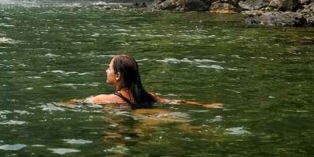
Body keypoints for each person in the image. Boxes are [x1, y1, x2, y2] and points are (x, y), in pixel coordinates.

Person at [85, 55, 221, 109]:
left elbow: (78, 104)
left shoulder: (103, 99)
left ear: (118, 75)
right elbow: (175, 101)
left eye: (109, 68)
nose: (106, 71)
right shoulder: (147, 95)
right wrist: (206, 105)